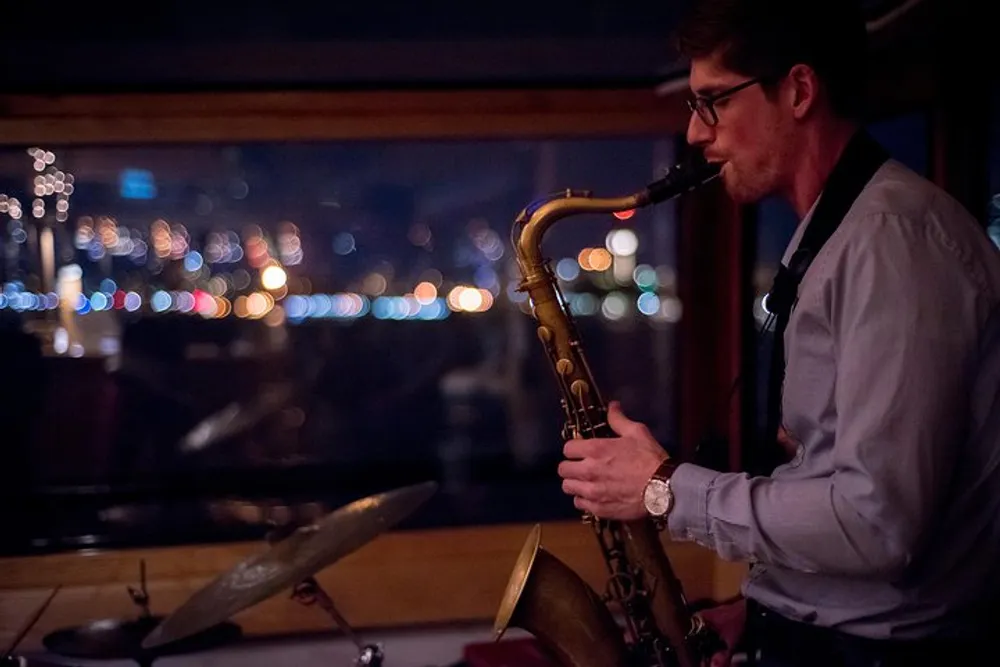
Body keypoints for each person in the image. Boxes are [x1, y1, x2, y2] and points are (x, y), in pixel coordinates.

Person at [556, 0, 1000, 665]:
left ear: (797, 91)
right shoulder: (832, 238)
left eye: (712, 102)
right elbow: (835, 484)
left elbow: (877, 524)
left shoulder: (892, 243)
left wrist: (664, 487)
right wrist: (764, 612)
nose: (694, 135)